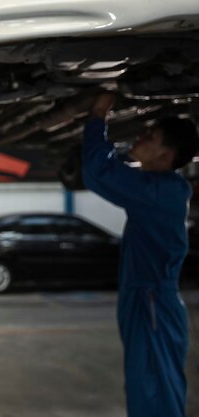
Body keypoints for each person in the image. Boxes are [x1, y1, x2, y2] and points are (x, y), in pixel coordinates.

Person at [82, 92, 199, 417]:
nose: (141, 137)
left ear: (167, 155)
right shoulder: (160, 187)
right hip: (149, 299)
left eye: (151, 136)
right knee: (153, 389)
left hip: (151, 303)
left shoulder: (157, 191)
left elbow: (98, 173)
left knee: (153, 393)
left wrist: (97, 116)